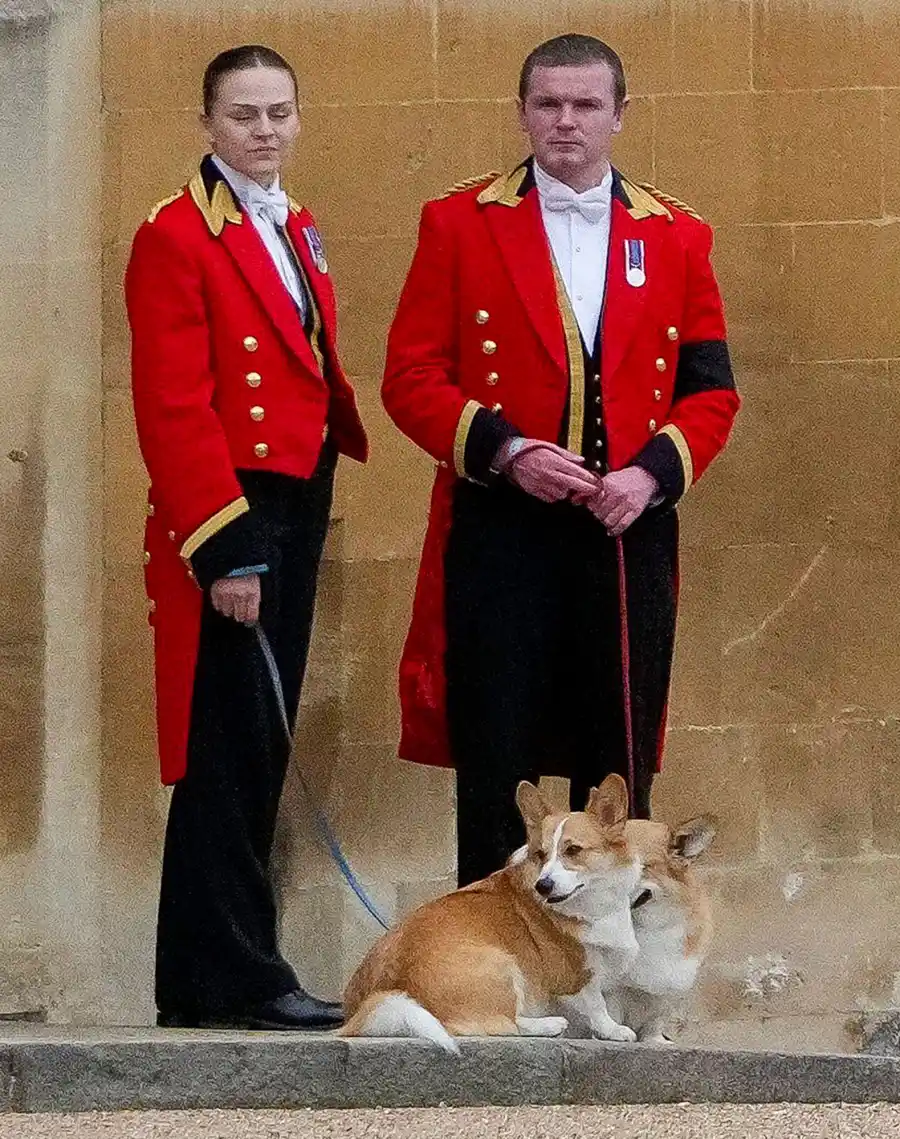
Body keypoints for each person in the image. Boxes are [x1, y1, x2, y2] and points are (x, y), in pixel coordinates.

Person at [382, 33, 739, 888]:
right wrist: (506, 452)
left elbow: (712, 391)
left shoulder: (679, 232)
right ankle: (486, 956)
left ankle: (603, 960)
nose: (566, 123)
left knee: (614, 754)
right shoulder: (458, 222)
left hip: (624, 531)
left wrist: (651, 473)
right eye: (548, 104)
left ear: (620, 115)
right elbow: (409, 377)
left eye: (585, 105)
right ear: (522, 113)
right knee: (496, 751)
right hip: (503, 527)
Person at [125, 45, 367, 1029]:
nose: (263, 131)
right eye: (243, 115)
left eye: (278, 113)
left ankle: (207, 974)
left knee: (256, 742)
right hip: (236, 508)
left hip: (294, 495)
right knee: (226, 747)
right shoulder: (176, 234)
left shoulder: (294, 222)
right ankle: (235, 972)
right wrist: (225, 546)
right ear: (207, 123)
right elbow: (173, 404)